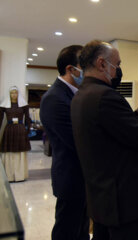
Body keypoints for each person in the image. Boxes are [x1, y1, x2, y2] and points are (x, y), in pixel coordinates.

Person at [71, 40, 138, 240]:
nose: (118, 70)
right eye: (117, 65)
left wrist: (137, 111)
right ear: (102, 64)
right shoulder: (105, 96)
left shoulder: (81, 96)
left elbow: (117, 131)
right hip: (124, 202)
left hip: (102, 197)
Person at [40, 45, 89, 240]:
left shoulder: (76, 93)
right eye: (85, 65)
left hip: (83, 177)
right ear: (71, 69)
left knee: (81, 229)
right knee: (67, 231)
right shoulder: (54, 98)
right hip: (71, 178)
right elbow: (76, 139)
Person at [0, 86, 31, 182]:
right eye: (12, 93)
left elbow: (28, 119)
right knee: (9, 152)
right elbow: (0, 120)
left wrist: (27, 130)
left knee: (20, 152)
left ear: (18, 94)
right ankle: (9, 175)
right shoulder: (4, 106)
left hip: (20, 130)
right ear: (9, 94)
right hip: (9, 130)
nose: (14, 95)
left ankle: (20, 175)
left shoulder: (23, 105)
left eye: (16, 93)